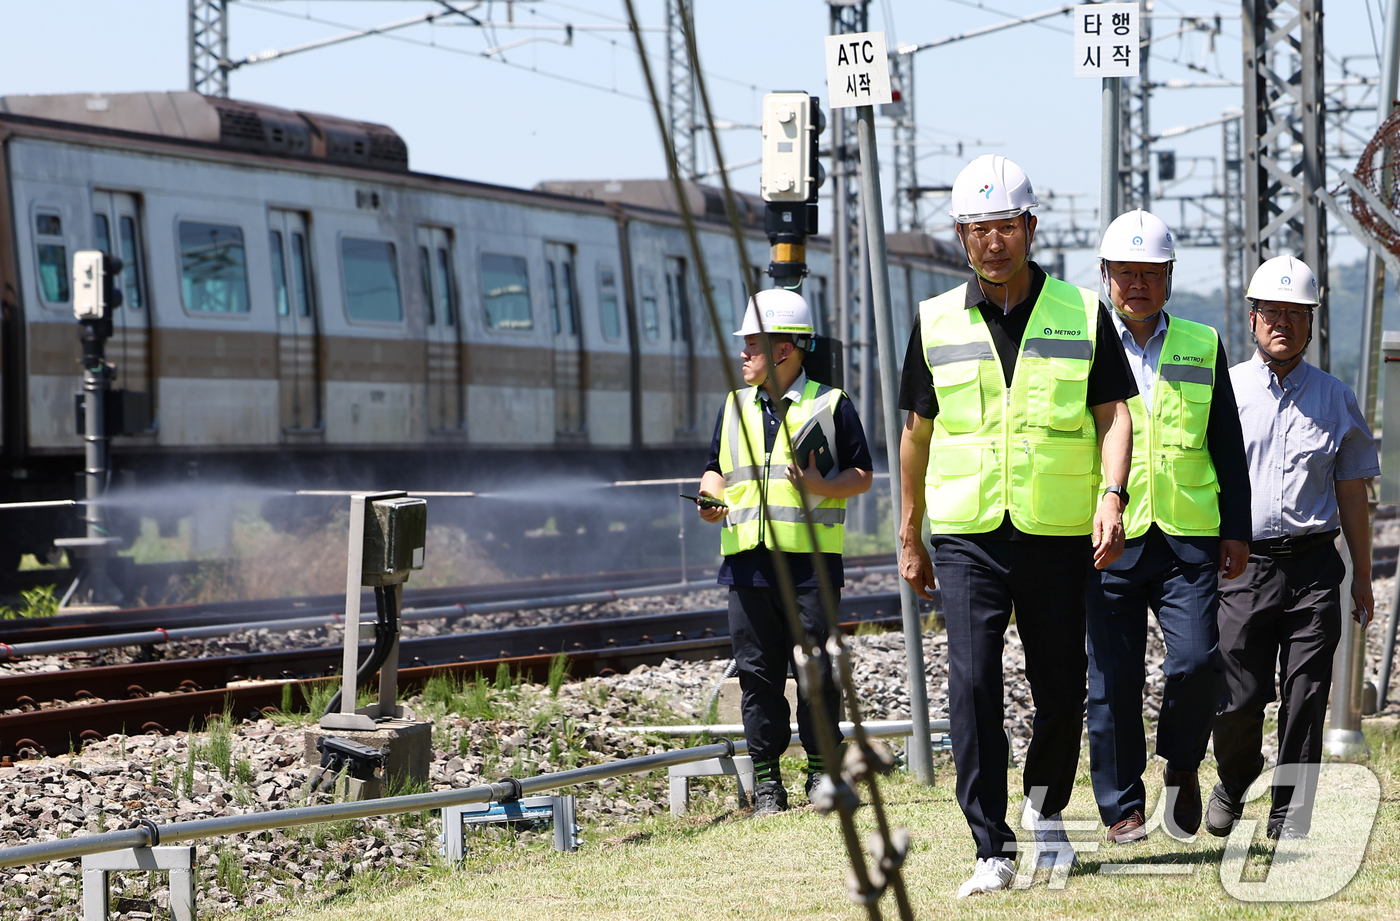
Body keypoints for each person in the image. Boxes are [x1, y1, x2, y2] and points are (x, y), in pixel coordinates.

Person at [897, 154, 1135, 897]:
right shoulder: (935, 321)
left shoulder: (1081, 312)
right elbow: (916, 433)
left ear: (1030, 228)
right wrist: (910, 530)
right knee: (971, 686)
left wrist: (1112, 495)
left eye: (1005, 226)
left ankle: (1046, 808)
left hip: (1056, 529)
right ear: (961, 237)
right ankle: (989, 846)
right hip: (968, 532)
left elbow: (1115, 415)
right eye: (978, 229)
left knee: (1062, 687)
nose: (993, 242)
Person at [1083, 210, 1252, 845]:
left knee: (1196, 662)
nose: (1136, 284)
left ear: (1169, 278)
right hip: (1111, 536)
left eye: (1150, 273)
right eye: (1124, 273)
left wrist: (1235, 526)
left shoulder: (1202, 344)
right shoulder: (1084, 345)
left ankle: (1181, 765)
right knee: (1114, 676)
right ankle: (1121, 806)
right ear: (1105, 277)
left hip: (1187, 533)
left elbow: (1226, 444)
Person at [1206, 255, 1378, 840]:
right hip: (1243, 565)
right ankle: (1234, 776)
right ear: (1251, 319)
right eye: (1271, 312)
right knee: (1239, 695)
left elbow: (1352, 494)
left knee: (1306, 695)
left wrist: (1360, 576)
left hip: (1313, 567)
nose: (1282, 322)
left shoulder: (1336, 398)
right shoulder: (1223, 392)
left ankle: (1289, 815)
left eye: (1295, 314)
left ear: (1312, 323)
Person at [695, 287, 874, 817]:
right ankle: (768, 782)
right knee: (758, 677)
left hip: (809, 568)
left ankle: (821, 773)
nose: (744, 354)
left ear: (784, 350)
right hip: (747, 566)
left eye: (753, 344)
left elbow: (862, 476)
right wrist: (711, 498)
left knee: (815, 673)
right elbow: (715, 467)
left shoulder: (831, 404)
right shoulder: (732, 406)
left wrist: (823, 486)